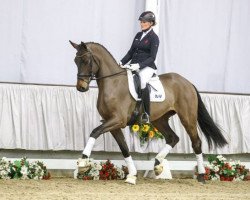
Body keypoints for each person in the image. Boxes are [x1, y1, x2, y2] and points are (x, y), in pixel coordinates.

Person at [119, 11, 160, 123]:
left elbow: (152, 57)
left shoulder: (154, 38)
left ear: (151, 23)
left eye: (144, 22)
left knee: (142, 82)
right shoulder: (138, 35)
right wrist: (121, 62)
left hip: (147, 66)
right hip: (133, 65)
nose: (142, 24)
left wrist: (139, 65)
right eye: (141, 22)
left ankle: (146, 113)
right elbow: (131, 52)